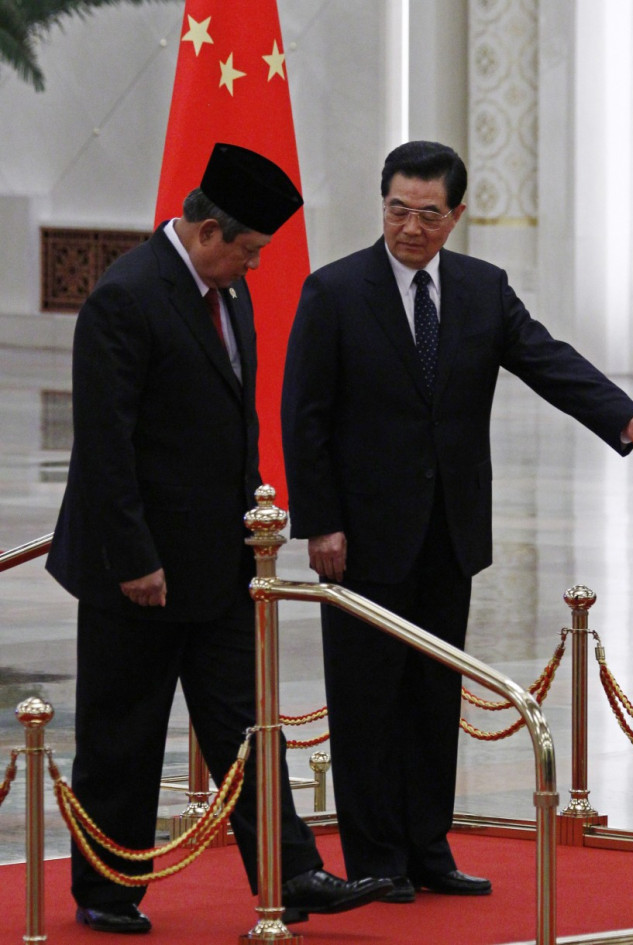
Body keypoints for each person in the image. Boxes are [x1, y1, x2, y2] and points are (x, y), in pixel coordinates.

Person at [280, 140, 633, 904]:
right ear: (383, 206)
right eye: (398, 209)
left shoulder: (481, 288)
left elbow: (546, 358)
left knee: (436, 695)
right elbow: (303, 417)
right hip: (361, 538)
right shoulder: (335, 290)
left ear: (457, 215)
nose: (410, 227)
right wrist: (321, 522)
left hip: (449, 529)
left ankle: (429, 847)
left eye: (428, 213)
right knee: (368, 700)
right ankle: (377, 859)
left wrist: (623, 416)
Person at [46, 142, 391, 934]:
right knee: (123, 733)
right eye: (250, 250)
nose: (255, 266)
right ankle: (106, 891)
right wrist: (136, 560)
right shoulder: (126, 297)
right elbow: (105, 445)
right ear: (208, 233)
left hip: (220, 565)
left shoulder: (227, 296)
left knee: (249, 728)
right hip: (134, 570)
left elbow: (236, 422)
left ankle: (292, 871)